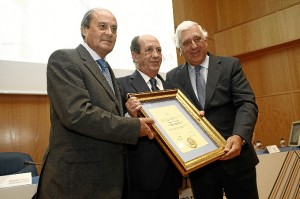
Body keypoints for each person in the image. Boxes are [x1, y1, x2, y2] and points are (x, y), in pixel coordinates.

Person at [35, 8, 154, 199]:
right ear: (83, 29)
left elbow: (107, 114)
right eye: (102, 26)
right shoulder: (65, 59)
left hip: (106, 180)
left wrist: (127, 114)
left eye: (114, 29)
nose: (109, 32)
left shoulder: (106, 69)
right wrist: (132, 127)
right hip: (76, 182)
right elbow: (77, 114)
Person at [165, 21, 259, 199]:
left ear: (206, 40)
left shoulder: (230, 65)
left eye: (197, 39)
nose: (193, 46)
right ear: (179, 49)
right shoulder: (172, 77)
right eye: (186, 43)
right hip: (201, 168)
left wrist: (239, 136)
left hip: (237, 161)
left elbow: (247, 103)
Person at [117, 35, 181, 199]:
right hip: (140, 179)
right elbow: (112, 125)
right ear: (134, 55)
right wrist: (129, 116)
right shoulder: (120, 85)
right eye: (149, 50)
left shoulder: (172, 88)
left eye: (158, 50)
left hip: (173, 175)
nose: (156, 55)